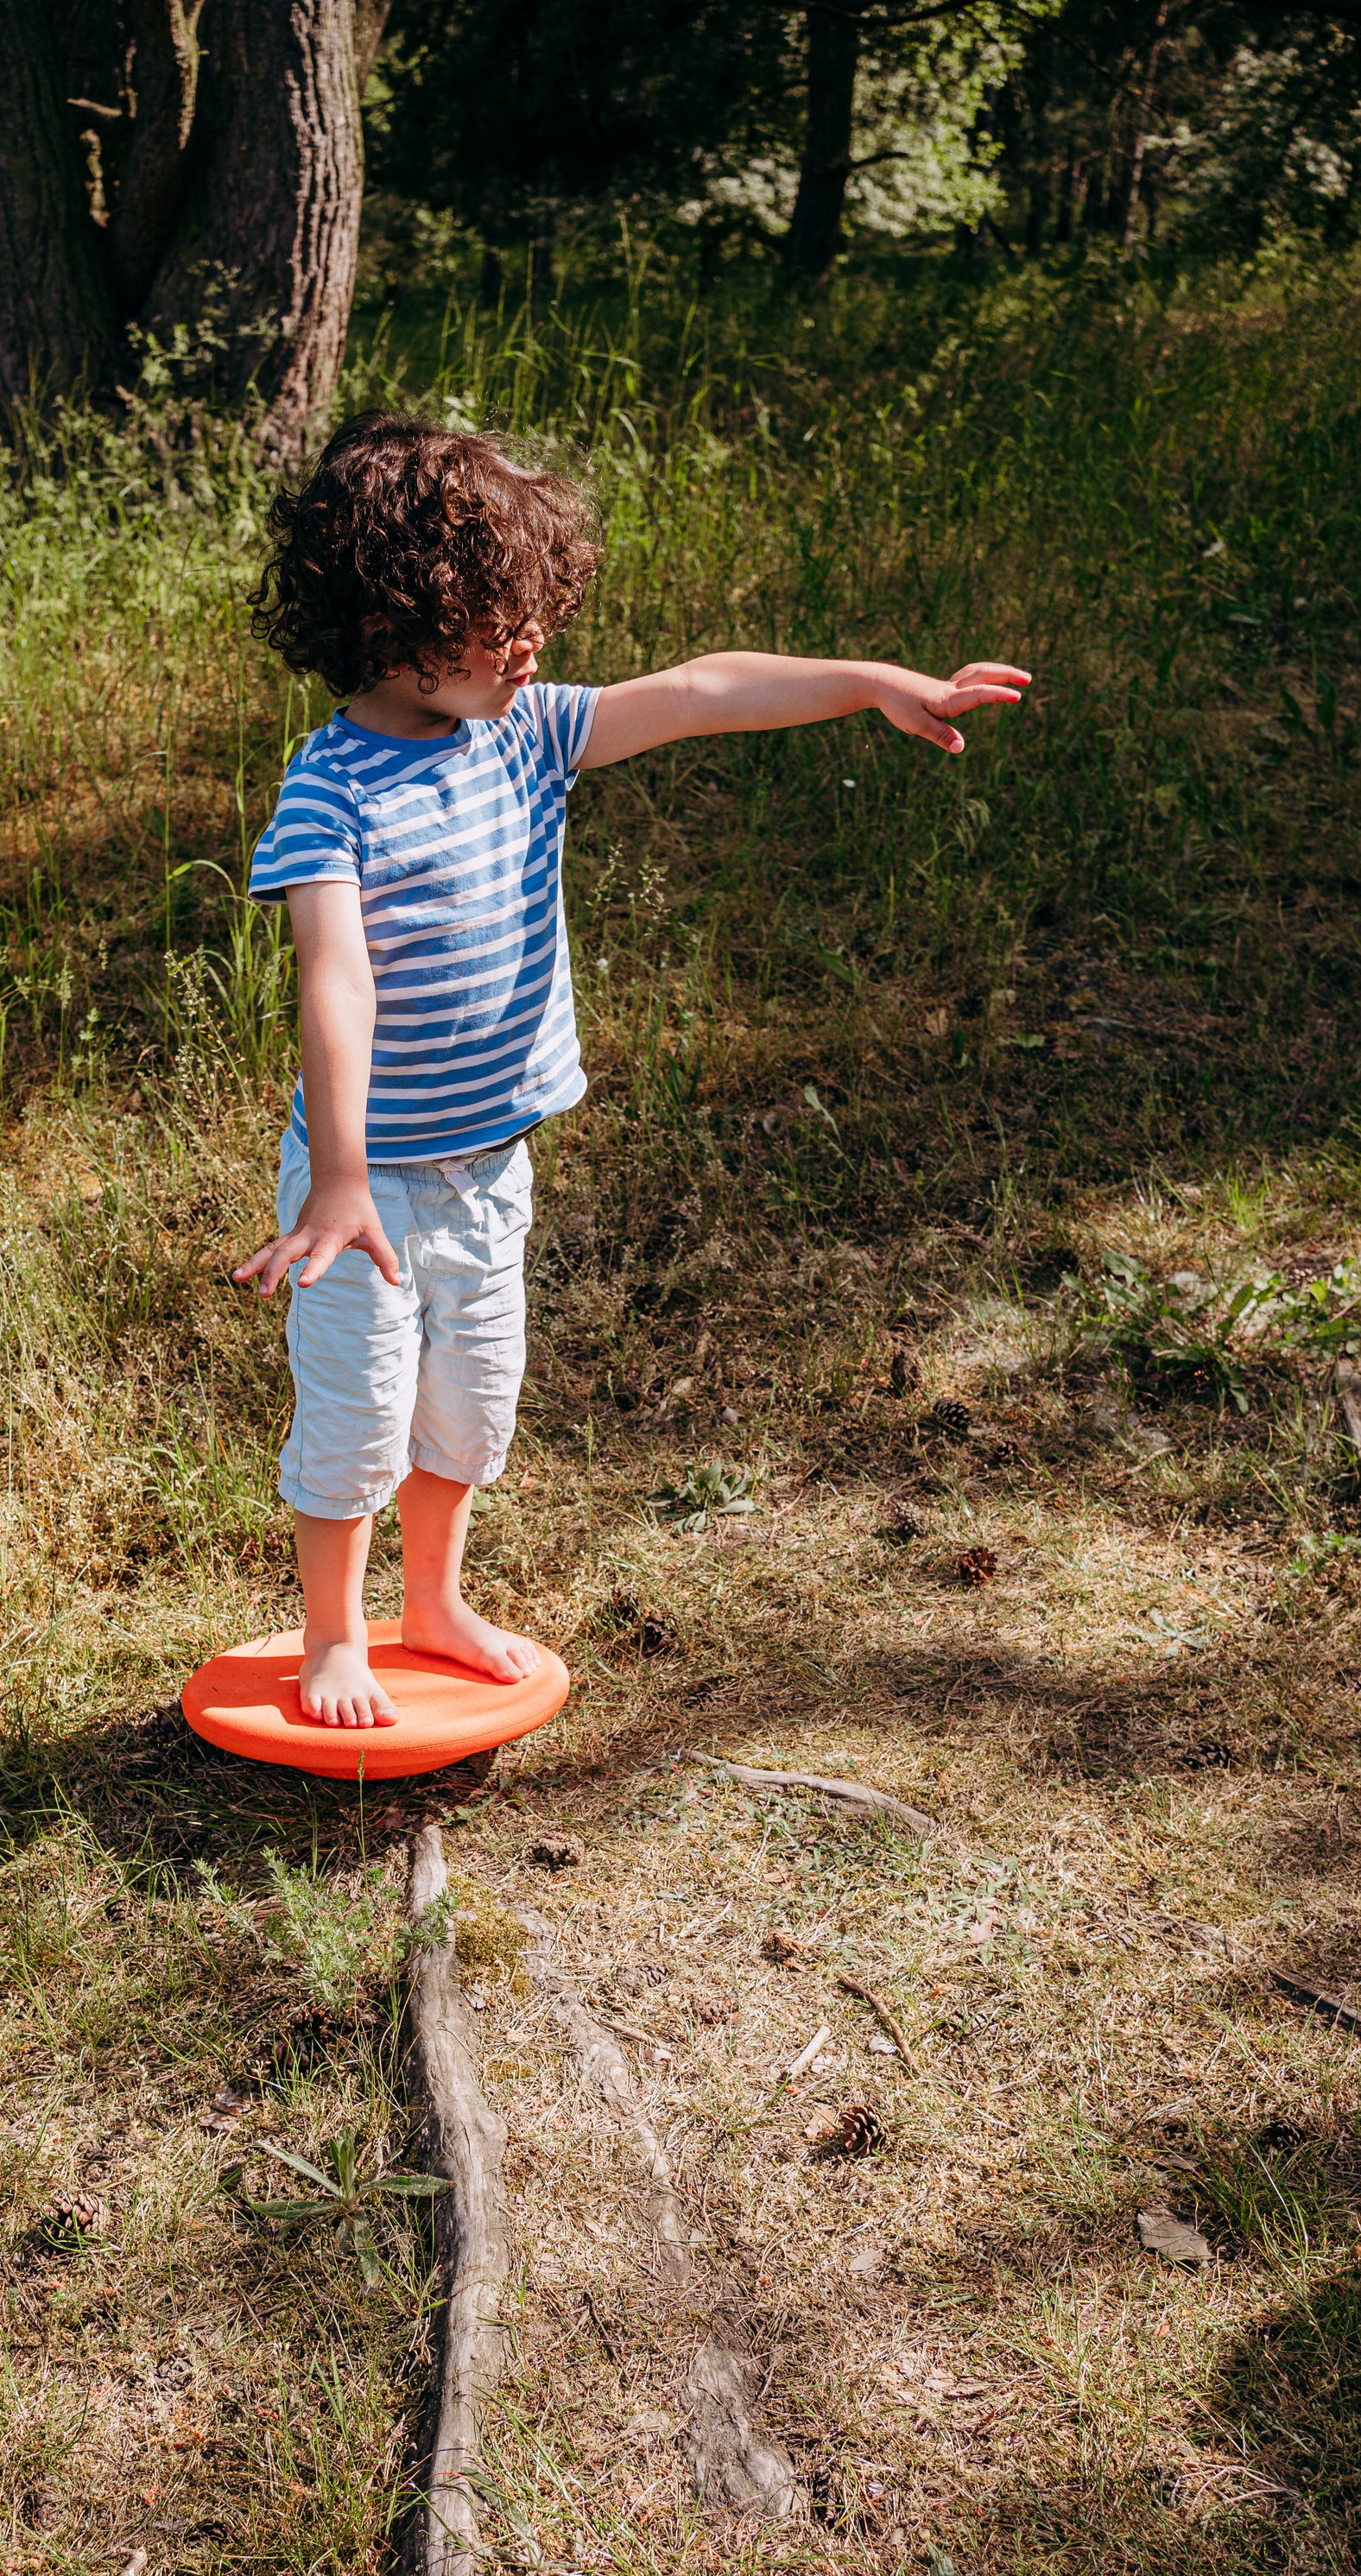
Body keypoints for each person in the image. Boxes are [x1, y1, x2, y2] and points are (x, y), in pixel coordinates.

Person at [234, 412, 1029, 1727]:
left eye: (534, 613)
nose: (530, 644)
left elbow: (704, 689)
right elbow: (335, 978)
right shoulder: (331, 792)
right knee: (355, 1421)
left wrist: (875, 679)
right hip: (362, 1198)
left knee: (468, 1415)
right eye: (498, 621)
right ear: (391, 625)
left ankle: (430, 1602)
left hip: (490, 1170)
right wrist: (335, 1178)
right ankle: (335, 1637)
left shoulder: (526, 731)